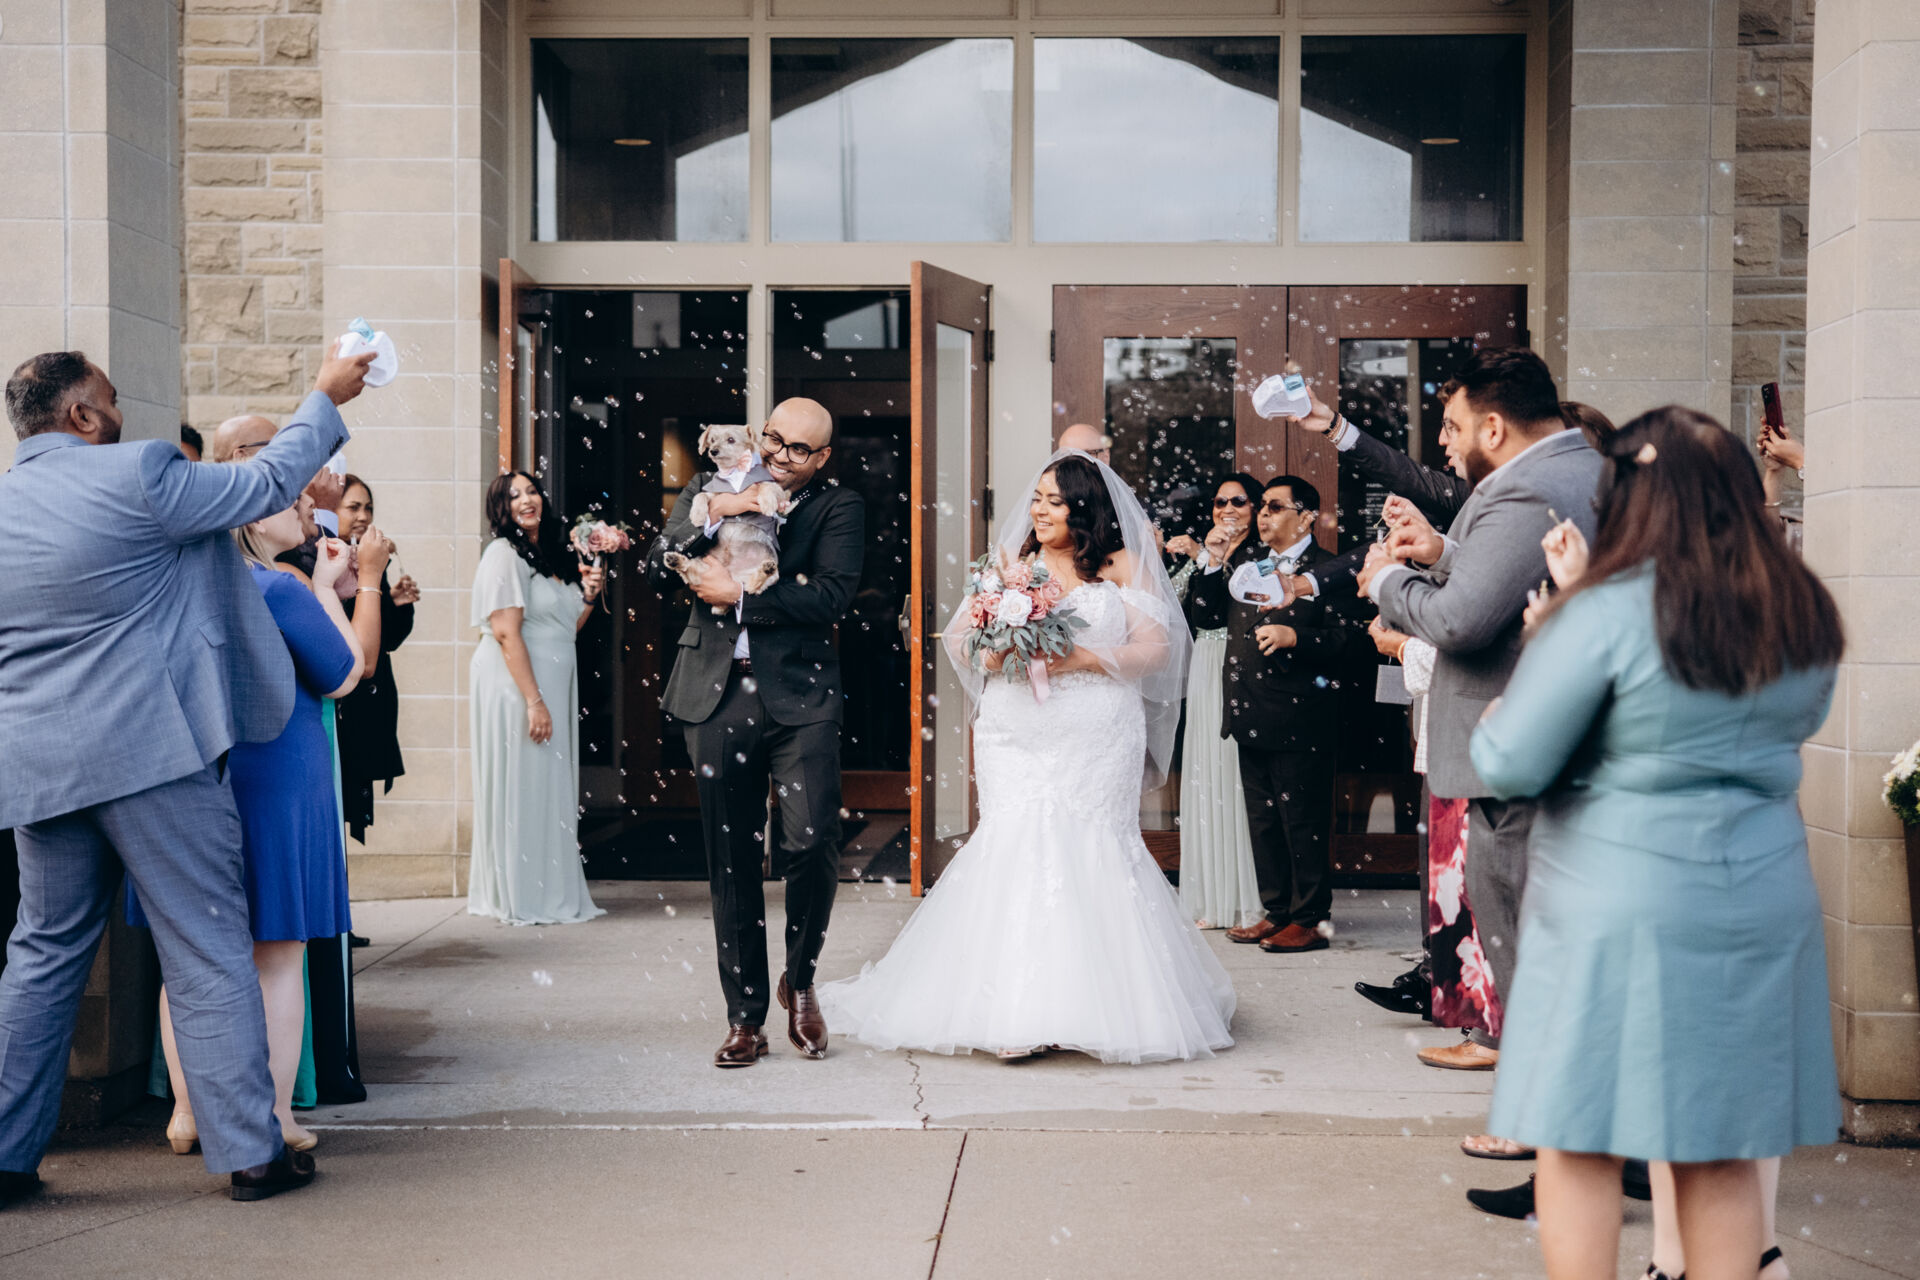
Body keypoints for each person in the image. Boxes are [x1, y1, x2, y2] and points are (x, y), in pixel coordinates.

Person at [1469, 407, 1842, 1280]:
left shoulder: (1605, 611)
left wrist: (1519, 680)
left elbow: (1512, 761)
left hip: (1618, 904)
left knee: (1578, 1135)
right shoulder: (1798, 607)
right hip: (1760, 898)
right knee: (1717, 1145)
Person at [0, 345, 370, 1207]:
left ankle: (7, 1157)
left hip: (39, 765)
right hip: (151, 755)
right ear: (80, 415)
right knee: (206, 944)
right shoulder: (139, 474)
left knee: (42, 955)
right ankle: (251, 1153)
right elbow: (263, 481)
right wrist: (324, 395)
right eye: (110, 398)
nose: (121, 412)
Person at [819, 451, 1231, 1063]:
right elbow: (964, 639)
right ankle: (1011, 1006)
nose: (1039, 510)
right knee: (1015, 842)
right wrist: (995, 651)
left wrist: (1083, 657)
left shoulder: (1120, 564)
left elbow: (1158, 649)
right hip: (1015, 729)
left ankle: (1101, 1003)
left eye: (1054, 501)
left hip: (1096, 730)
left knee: (1093, 845)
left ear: (1084, 509)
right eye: (1037, 497)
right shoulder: (1012, 565)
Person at [1359, 348, 1604, 1086]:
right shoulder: (1584, 470)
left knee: (1518, 940)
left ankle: (1540, 1115)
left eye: (1455, 426)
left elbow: (1461, 621)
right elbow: (1508, 577)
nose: (1449, 442)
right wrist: (1444, 551)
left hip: (1517, 742)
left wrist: (1388, 581)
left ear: (1493, 428)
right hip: (1555, 739)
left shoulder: (1528, 488)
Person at [138, 498, 364, 1158]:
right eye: (292, 499)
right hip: (277, 781)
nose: (306, 508)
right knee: (277, 954)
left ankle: (187, 1111)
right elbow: (344, 673)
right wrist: (325, 589)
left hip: (188, 774)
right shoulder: (277, 589)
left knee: (188, 954)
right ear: (253, 517)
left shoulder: (170, 586)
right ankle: (275, 1115)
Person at [645, 398, 864, 1068]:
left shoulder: (838, 505)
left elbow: (831, 596)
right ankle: (744, 1017)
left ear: (821, 457)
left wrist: (741, 596)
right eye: (772, 438)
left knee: (813, 838)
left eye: (797, 449)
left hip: (801, 696)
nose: (778, 455)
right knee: (732, 857)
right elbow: (658, 564)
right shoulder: (709, 485)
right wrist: (709, 521)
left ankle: (800, 979)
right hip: (715, 694)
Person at [468, 470, 607, 926]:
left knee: (545, 784)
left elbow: (566, 628)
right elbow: (506, 632)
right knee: (524, 784)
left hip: (547, 684)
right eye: (513, 496)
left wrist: (590, 595)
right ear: (499, 508)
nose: (526, 500)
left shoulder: (546, 555)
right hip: (516, 687)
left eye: (531, 491)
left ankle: (546, 887)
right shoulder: (503, 554)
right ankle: (519, 892)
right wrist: (534, 701)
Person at [1217, 476, 1347, 953]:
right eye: (1264, 507)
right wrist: (1214, 559)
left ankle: (1309, 918)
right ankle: (1276, 912)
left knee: (1302, 820)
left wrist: (1299, 638)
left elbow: (1352, 641)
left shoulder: (1328, 570)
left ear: (1306, 517)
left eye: (1275, 506)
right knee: (1264, 821)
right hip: (1249, 711)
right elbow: (1208, 616)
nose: (1264, 515)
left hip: (1301, 717)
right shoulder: (1249, 566)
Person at [1165, 472, 1265, 929]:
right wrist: (1206, 557)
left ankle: (1247, 897)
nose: (1226, 510)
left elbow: (1240, 607)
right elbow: (1196, 612)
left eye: (1238, 502)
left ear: (1256, 509)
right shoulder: (1209, 551)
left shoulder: (1263, 555)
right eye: (1220, 502)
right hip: (1208, 665)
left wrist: (1213, 558)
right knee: (1207, 769)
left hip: (1242, 665)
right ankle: (1210, 896)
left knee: (1236, 775)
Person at [335, 474, 421, 844]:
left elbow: (386, 641)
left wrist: (396, 603)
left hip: (371, 698)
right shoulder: (323, 561)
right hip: (343, 697)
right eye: (353, 507)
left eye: (368, 508)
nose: (363, 516)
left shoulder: (370, 560)